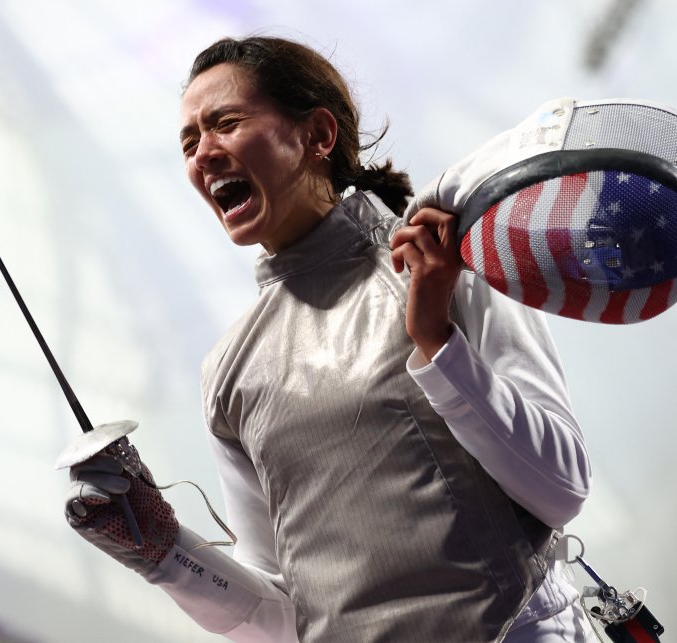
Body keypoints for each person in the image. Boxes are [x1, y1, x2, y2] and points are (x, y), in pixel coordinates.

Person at [64, 36, 594, 642]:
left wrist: (435, 341)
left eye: (226, 124)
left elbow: (561, 488)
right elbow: (285, 618)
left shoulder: (446, 266)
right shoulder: (230, 372)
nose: (203, 155)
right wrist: (163, 553)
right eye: (189, 142)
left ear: (318, 134)